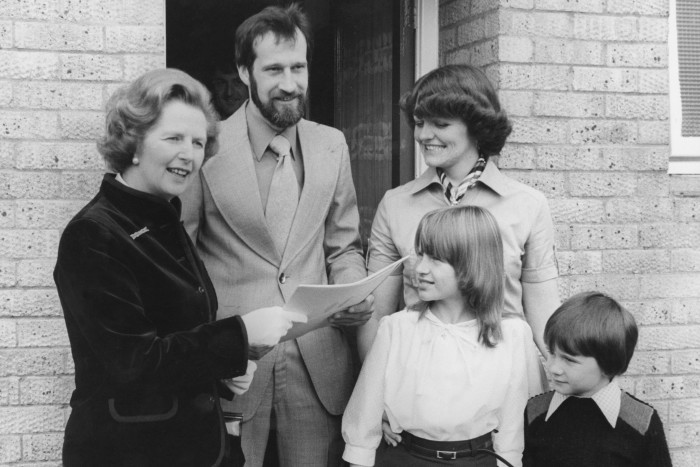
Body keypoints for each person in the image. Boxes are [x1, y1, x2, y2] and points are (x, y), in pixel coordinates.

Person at [54, 68, 305, 467]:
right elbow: (134, 363)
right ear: (133, 142)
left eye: (199, 142)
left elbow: (178, 337)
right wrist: (239, 336)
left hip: (193, 447)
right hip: (127, 453)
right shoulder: (93, 234)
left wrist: (222, 373)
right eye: (173, 138)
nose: (189, 154)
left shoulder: (163, 219)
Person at [181, 4, 372, 466]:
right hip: (233, 366)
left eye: (298, 67)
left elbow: (343, 245)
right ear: (244, 71)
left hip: (318, 364)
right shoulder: (204, 147)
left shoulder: (332, 145)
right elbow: (183, 259)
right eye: (273, 69)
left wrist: (354, 290)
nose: (289, 83)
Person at [359, 64, 560, 361]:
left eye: (440, 124)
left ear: (475, 126)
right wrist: (378, 387)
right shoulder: (395, 205)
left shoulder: (528, 205)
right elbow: (375, 316)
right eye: (419, 122)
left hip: (503, 374)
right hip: (420, 375)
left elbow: (546, 318)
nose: (424, 135)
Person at [342, 206, 543, 467]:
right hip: (405, 459)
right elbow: (364, 418)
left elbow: (514, 425)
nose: (420, 269)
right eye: (421, 254)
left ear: (472, 264)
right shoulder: (396, 329)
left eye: (435, 258)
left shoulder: (512, 336)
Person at [523, 292, 672, 467]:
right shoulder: (535, 411)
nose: (553, 367)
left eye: (569, 360)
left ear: (608, 364)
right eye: (551, 353)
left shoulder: (641, 421)